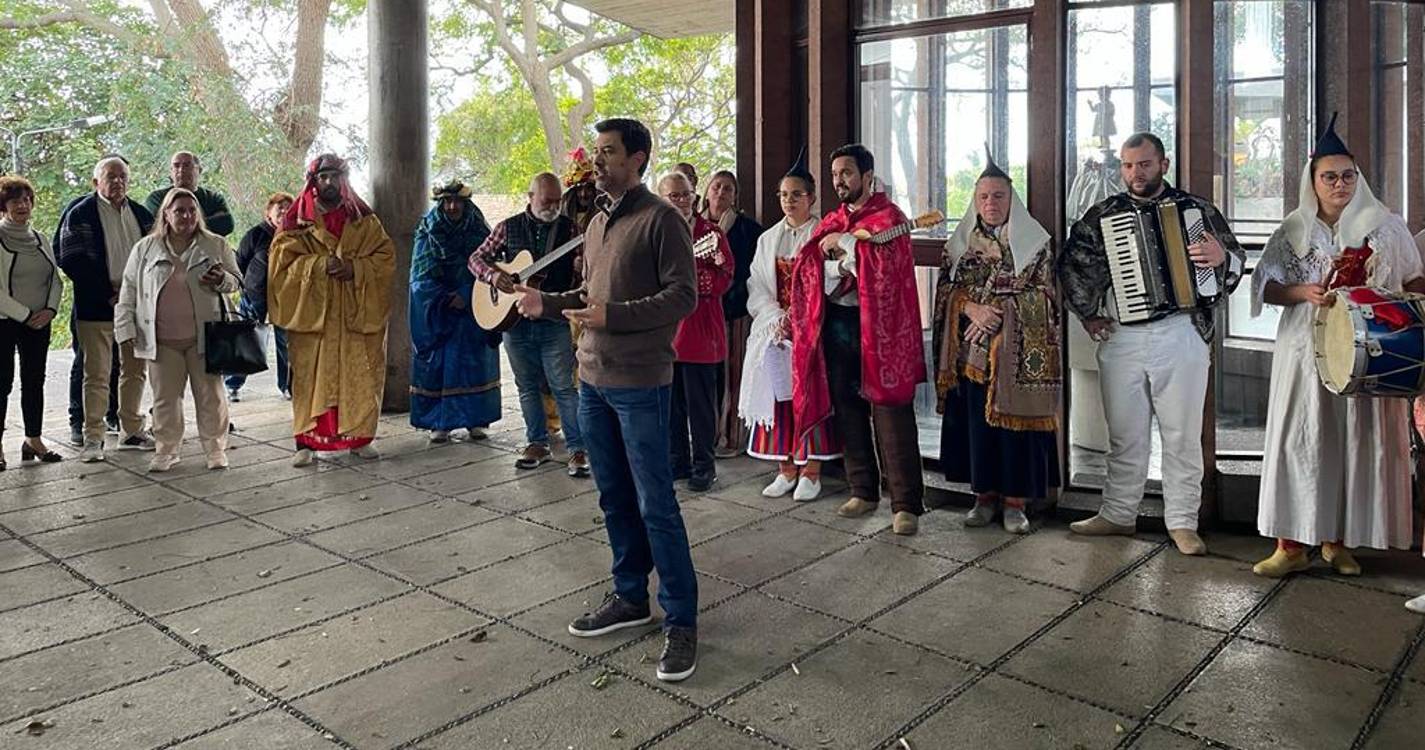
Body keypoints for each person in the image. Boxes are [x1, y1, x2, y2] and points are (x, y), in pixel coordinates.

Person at [513, 118, 700, 682]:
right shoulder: (595, 223)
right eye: (596, 152)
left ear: (638, 159)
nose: (599, 161)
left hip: (641, 382)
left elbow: (683, 296)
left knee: (656, 504)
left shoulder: (662, 220)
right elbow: (590, 298)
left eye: (610, 152)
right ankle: (629, 597)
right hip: (591, 380)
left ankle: (682, 621)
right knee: (614, 497)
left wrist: (612, 317)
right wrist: (544, 302)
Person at [1249, 115, 1425, 578]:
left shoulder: (1385, 226)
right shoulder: (1294, 230)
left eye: (1348, 175)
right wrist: (1301, 293)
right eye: (1329, 176)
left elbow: (1413, 279)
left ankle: (1338, 541)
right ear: (1313, 181)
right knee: (1302, 439)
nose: (1340, 184)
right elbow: (1267, 287)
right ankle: (1290, 545)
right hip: (1306, 352)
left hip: (1370, 353)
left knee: (1353, 441)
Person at [1058, 132, 1244, 556]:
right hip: (1122, 334)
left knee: (1181, 434)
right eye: (1127, 165)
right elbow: (1073, 264)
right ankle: (1118, 514)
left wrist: (1222, 259)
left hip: (1181, 332)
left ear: (1163, 163)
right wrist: (1088, 313)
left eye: (1143, 164)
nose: (1134, 173)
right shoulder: (1102, 215)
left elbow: (1233, 263)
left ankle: (1182, 522)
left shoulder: (1196, 210)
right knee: (1124, 433)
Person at [791, 144, 926, 536]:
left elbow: (891, 271)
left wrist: (853, 251)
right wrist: (835, 262)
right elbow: (807, 264)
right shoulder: (832, 219)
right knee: (847, 406)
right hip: (839, 323)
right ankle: (863, 489)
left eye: (847, 173)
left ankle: (906, 503)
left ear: (868, 176)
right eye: (835, 175)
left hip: (880, 327)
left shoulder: (890, 219)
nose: (839, 181)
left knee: (890, 409)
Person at [933, 150, 1059, 535]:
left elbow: (1047, 295)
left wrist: (1000, 313)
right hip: (971, 354)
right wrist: (970, 308)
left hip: (1016, 356)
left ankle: (1016, 504)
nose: (991, 203)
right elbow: (945, 292)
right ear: (975, 201)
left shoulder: (1034, 242)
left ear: (1012, 199)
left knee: (1014, 434)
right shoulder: (960, 246)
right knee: (977, 427)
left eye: (998, 196)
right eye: (984, 197)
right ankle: (983, 497)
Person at [268, 154, 395, 467]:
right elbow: (281, 267)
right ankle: (306, 443)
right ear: (314, 180)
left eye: (335, 176)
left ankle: (360, 438)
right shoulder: (296, 220)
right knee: (310, 377)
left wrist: (354, 268)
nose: (329, 182)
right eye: (323, 177)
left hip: (354, 314)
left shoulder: (363, 218)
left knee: (359, 374)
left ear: (344, 179)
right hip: (315, 319)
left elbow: (385, 258)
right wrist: (318, 265)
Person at [470, 174, 589, 475]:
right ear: (530, 196)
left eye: (557, 200)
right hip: (514, 322)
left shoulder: (572, 229)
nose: (552, 205)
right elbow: (476, 259)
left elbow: (585, 276)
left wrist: (579, 268)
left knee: (563, 386)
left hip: (553, 320)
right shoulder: (507, 227)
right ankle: (537, 442)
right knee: (526, 386)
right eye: (546, 199)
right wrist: (494, 276)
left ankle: (578, 449)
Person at [115, 189, 242, 472]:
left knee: (212, 396)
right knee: (165, 400)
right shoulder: (145, 248)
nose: (186, 216)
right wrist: (125, 329)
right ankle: (167, 450)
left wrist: (222, 279)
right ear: (166, 214)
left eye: (191, 210)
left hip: (205, 336)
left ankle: (215, 449)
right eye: (179, 210)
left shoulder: (216, 244)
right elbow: (129, 290)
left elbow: (236, 282)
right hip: (161, 339)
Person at [740, 151, 841, 500]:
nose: (789, 201)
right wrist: (774, 319)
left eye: (796, 194)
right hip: (776, 331)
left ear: (811, 197)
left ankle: (811, 471)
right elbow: (757, 285)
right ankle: (785, 467)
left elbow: (831, 280)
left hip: (812, 329)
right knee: (779, 398)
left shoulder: (825, 234)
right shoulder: (768, 238)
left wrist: (799, 319)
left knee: (809, 395)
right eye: (784, 194)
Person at [57, 155, 156, 462]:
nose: (118, 182)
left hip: (137, 305)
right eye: (111, 176)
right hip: (95, 307)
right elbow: (69, 258)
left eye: (123, 176)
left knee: (135, 370)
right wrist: (107, 293)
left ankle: (131, 430)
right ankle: (93, 437)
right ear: (96, 182)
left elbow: (156, 255)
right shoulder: (80, 214)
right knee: (96, 373)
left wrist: (136, 293)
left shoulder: (141, 213)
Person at [410, 181, 501, 444]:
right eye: (447, 202)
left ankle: (477, 420)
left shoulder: (479, 229)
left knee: (475, 362)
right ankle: (440, 423)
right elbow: (418, 274)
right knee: (441, 366)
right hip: (440, 310)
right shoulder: (427, 230)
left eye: (457, 202)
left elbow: (493, 265)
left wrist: (466, 293)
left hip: (474, 305)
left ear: (465, 203)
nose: (452, 207)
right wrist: (444, 298)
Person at [660, 171, 734, 491]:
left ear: (695, 196)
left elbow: (725, 277)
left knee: (700, 406)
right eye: (673, 196)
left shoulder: (711, 233)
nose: (681, 201)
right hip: (663, 334)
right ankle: (677, 461)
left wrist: (694, 283)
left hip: (700, 332)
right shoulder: (654, 231)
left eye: (686, 194)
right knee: (670, 404)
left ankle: (705, 464)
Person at [0, 176, 63, 468]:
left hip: (40, 320)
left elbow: (55, 280)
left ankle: (33, 439)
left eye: (26, 199)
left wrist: (49, 310)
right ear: (4, 206)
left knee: (34, 380)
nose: (22, 205)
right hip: (6, 321)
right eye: (15, 200)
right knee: (2, 383)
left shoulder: (40, 238)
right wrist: (25, 315)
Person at [702, 170, 764, 458]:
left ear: (735, 196)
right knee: (705, 375)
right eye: (716, 187)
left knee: (734, 373)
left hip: (735, 310)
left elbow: (753, 271)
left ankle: (732, 437)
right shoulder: (693, 225)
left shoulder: (748, 230)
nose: (721, 192)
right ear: (707, 191)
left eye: (728, 188)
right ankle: (705, 435)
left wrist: (733, 293)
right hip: (699, 311)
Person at [226, 192, 294, 402]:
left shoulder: (296, 236)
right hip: (255, 295)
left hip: (285, 296)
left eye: (288, 208)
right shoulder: (256, 234)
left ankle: (287, 386)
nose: (283, 212)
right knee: (248, 339)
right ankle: (233, 384)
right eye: (279, 208)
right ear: (269, 212)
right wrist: (245, 286)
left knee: (286, 343)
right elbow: (240, 262)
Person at [143, 151, 235, 237]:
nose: (181, 170)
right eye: (176, 166)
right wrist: (207, 223)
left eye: (187, 165)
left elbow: (227, 225)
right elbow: (154, 229)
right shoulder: (157, 198)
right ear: (171, 172)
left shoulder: (213, 198)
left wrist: (177, 224)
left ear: (199, 170)